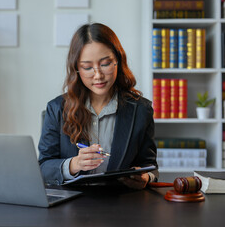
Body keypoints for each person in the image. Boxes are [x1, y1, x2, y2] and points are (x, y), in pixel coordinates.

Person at [38, 23, 158, 189]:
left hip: (121, 203)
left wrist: (145, 177)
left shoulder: (141, 110)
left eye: (105, 64)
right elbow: (43, 167)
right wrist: (74, 164)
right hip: (71, 205)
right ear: (77, 69)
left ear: (118, 60)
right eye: (87, 67)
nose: (98, 75)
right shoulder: (57, 108)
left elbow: (150, 166)